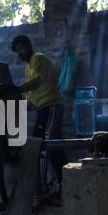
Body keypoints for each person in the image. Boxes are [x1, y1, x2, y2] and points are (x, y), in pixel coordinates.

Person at [11, 35, 68, 198]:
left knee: (41, 146)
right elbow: (30, 94)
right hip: (43, 109)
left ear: (29, 45)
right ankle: (67, 184)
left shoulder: (39, 59)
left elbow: (37, 81)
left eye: (21, 49)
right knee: (55, 149)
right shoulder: (27, 68)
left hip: (51, 107)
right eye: (17, 51)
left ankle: (41, 191)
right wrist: (25, 104)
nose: (19, 53)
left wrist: (15, 89)